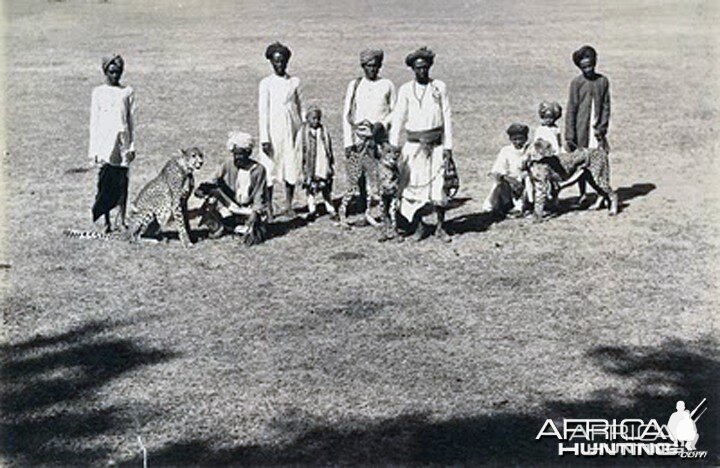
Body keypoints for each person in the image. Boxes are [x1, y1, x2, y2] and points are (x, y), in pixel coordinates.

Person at [390, 47, 453, 242]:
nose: (422, 72)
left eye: (425, 67)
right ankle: (419, 226)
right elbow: (398, 117)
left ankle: (441, 227)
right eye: (418, 68)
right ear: (412, 69)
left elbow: (447, 117)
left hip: (436, 145)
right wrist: (393, 145)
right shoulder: (406, 90)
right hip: (413, 146)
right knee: (412, 186)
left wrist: (448, 147)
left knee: (439, 185)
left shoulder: (439, 87)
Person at [194, 131, 270, 245]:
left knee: (254, 231)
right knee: (212, 196)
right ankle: (221, 226)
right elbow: (213, 179)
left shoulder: (259, 170)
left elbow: (260, 194)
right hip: (232, 204)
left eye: (240, 154)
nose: (237, 157)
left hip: (249, 208)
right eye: (235, 154)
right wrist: (202, 189)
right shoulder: (229, 164)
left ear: (248, 153)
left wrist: (255, 212)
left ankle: (235, 227)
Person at [88, 54, 136, 233]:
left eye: (118, 72)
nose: (115, 75)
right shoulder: (98, 92)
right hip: (103, 144)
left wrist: (131, 146)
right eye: (111, 72)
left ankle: (121, 220)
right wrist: (93, 151)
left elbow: (131, 121)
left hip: (122, 143)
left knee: (122, 182)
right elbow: (94, 122)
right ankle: (106, 221)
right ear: (105, 71)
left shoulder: (127, 92)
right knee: (105, 183)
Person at [258, 42, 303, 218]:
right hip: (273, 131)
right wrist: (265, 138)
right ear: (271, 62)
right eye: (276, 61)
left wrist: (304, 129)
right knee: (270, 169)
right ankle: (268, 207)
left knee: (290, 166)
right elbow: (263, 112)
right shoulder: (266, 83)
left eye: (282, 61)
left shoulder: (294, 82)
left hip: (292, 131)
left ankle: (289, 205)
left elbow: (301, 107)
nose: (279, 65)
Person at [565, 45, 611, 207]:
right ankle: (583, 193)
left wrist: (602, 128)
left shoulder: (602, 81)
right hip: (580, 130)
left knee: (598, 163)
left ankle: (601, 193)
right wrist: (570, 134)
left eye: (590, 65)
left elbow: (606, 106)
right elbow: (571, 109)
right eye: (584, 67)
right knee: (581, 164)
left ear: (595, 63)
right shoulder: (576, 83)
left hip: (596, 131)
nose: (588, 69)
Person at [294, 106, 336, 220]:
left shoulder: (323, 131)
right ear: (307, 119)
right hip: (309, 165)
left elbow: (328, 147)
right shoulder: (303, 133)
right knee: (311, 189)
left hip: (322, 164)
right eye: (313, 118)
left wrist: (330, 162)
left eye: (318, 118)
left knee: (325, 187)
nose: (316, 121)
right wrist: (300, 166)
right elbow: (298, 150)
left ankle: (330, 208)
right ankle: (312, 209)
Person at [482, 123, 532, 217]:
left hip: (525, 181)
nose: (518, 142)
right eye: (515, 139)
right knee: (499, 184)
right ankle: (505, 206)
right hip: (508, 182)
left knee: (528, 181)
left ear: (526, 138)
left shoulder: (530, 150)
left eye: (521, 139)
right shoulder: (506, 151)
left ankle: (523, 207)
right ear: (510, 139)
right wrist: (513, 182)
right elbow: (497, 172)